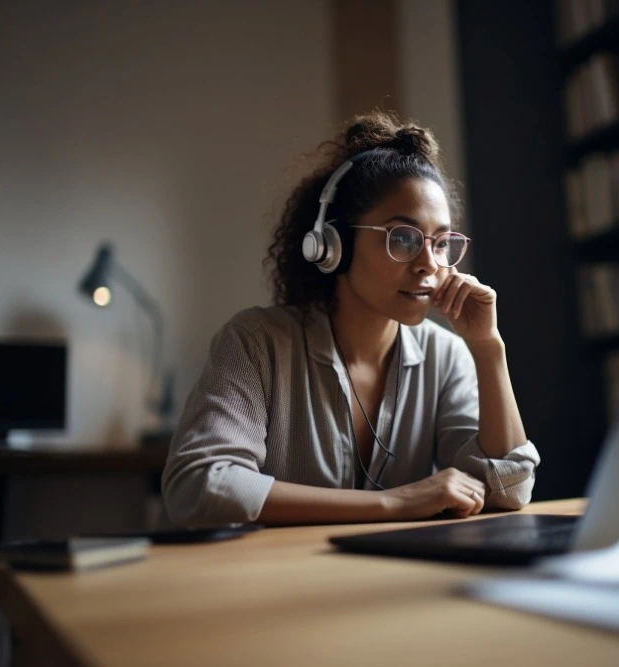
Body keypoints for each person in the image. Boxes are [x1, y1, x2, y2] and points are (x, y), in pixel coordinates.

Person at [162, 112, 540, 527]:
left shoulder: (447, 356)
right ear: (334, 244)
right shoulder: (257, 342)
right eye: (402, 238)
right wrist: (394, 503)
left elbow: (509, 490)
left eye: (441, 243)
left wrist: (488, 349)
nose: (429, 264)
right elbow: (200, 485)